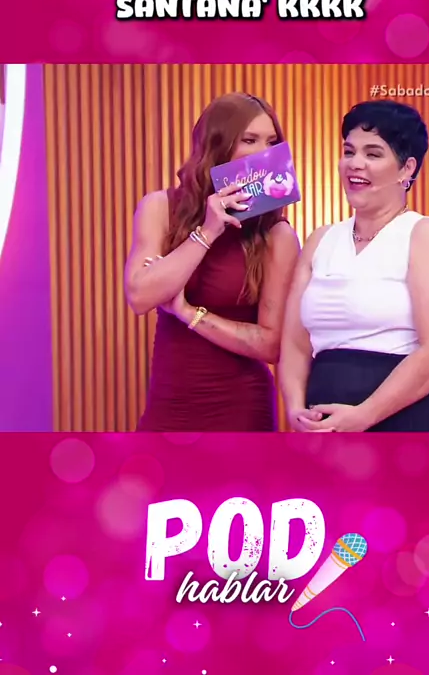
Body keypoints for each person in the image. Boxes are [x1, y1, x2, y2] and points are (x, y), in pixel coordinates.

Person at [279, 100, 429, 432]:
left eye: (373, 154)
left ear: (407, 169)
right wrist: (295, 409)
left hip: (407, 419)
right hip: (324, 422)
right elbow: (294, 344)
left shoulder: (422, 235)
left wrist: (364, 415)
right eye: (349, 152)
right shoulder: (321, 240)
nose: (355, 164)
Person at [125, 92, 300, 431]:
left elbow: (272, 344)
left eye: (271, 142)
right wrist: (208, 231)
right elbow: (139, 296)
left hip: (241, 408)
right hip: (168, 404)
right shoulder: (160, 207)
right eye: (249, 140)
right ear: (218, 144)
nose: (263, 151)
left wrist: (189, 314)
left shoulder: (276, 234)